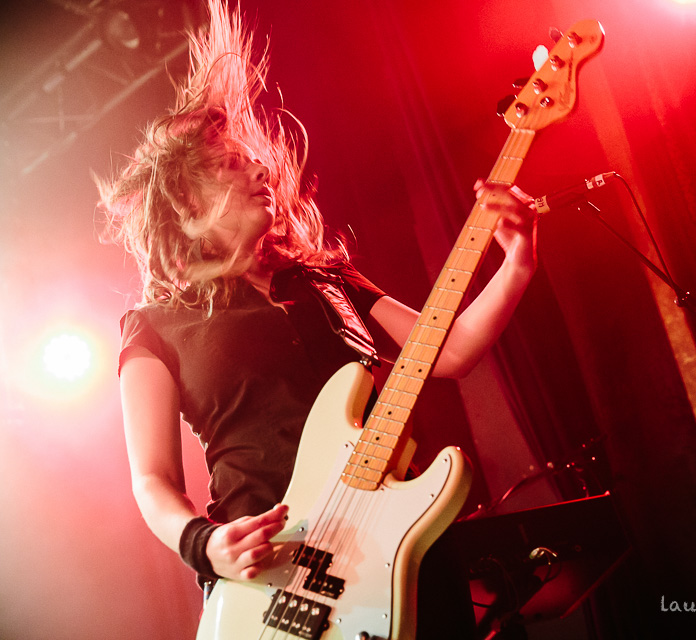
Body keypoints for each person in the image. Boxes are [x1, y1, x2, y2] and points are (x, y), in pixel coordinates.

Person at [98, 0, 535, 594]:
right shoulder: (156, 326)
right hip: (272, 574)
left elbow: (451, 351)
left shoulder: (325, 280)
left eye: (256, 163)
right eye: (232, 165)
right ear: (189, 202)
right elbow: (152, 479)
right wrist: (206, 545)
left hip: (393, 548)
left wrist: (517, 262)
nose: (262, 173)